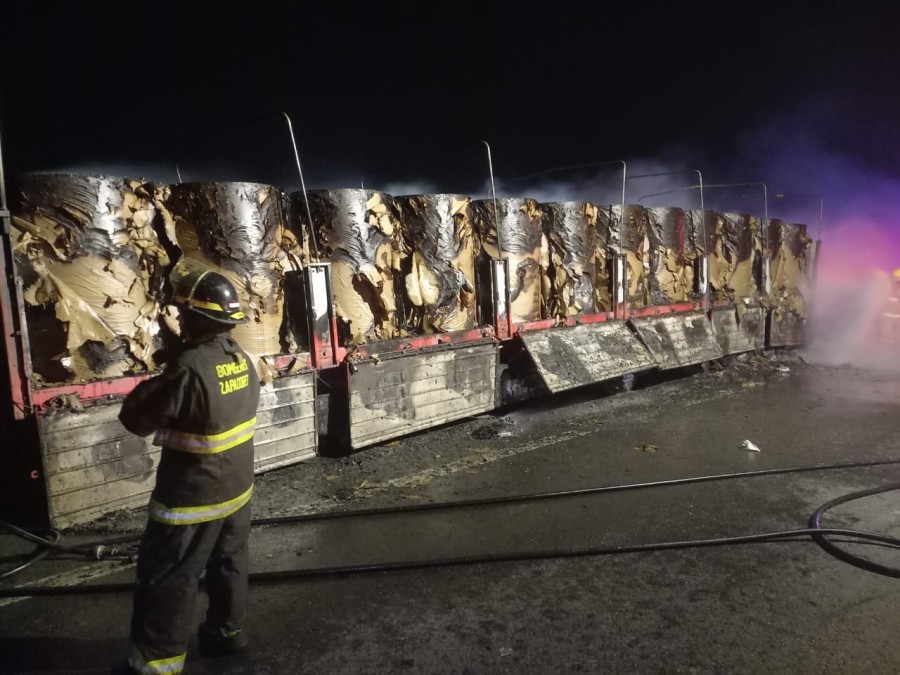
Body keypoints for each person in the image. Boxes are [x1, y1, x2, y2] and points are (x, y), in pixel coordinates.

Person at [117, 268, 260, 675]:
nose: (177, 320)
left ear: (196, 318)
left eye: (182, 314)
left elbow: (136, 418)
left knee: (169, 576)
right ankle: (228, 634)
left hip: (193, 498)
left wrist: (165, 370)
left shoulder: (187, 369)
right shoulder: (242, 358)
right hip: (236, 489)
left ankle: (156, 663)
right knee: (229, 563)